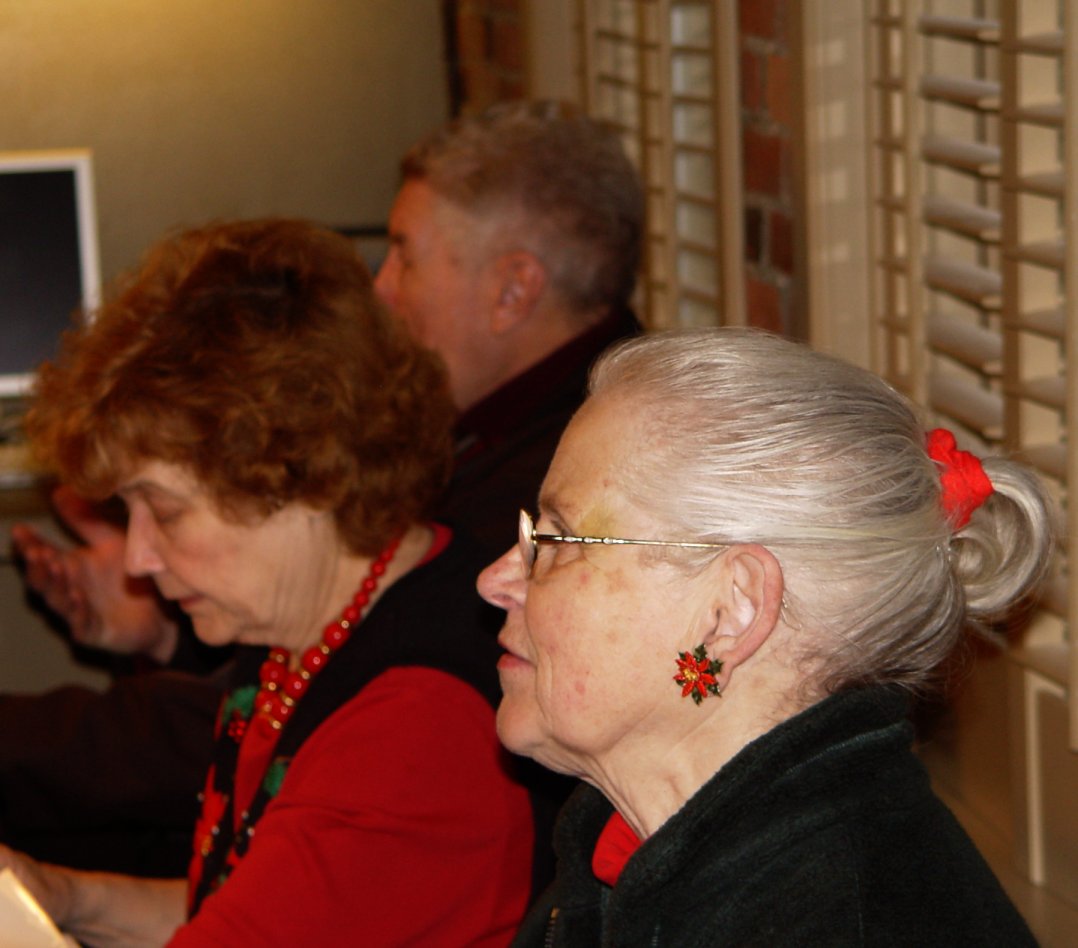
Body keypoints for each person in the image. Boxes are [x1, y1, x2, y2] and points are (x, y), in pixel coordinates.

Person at [3, 99, 643, 881]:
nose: (382, 289)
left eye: (405, 256)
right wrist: (165, 628)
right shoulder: (495, 427)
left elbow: (312, 714)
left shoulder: (563, 487)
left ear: (514, 291)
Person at [0, 218, 533, 945]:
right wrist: (62, 896)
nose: (138, 559)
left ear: (302, 476)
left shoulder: (415, 733)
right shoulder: (316, 623)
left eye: (165, 511)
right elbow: (249, 906)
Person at [478, 328, 1051, 945]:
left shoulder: (845, 920)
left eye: (556, 541)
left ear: (730, 612)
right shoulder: (627, 850)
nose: (495, 581)